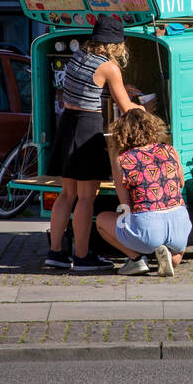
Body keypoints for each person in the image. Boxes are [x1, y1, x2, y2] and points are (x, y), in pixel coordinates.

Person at [46, 15, 137, 271]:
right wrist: (146, 108)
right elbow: (125, 107)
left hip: (67, 123)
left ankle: (55, 252)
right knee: (87, 197)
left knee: (67, 194)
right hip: (87, 128)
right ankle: (83, 256)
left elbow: (89, 87)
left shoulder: (79, 56)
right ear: (115, 43)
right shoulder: (109, 66)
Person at [95, 107, 191, 277]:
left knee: (102, 220)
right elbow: (181, 183)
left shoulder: (122, 159)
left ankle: (136, 259)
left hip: (149, 226)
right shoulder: (170, 150)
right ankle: (172, 257)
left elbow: (125, 204)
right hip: (180, 224)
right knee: (177, 255)